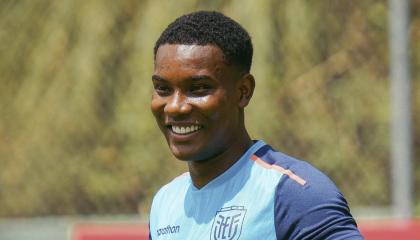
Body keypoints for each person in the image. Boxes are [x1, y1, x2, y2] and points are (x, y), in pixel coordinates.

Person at [148, 11, 363, 239]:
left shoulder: (294, 194)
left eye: (199, 88)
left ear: (243, 91)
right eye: (163, 89)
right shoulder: (165, 202)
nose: (174, 107)